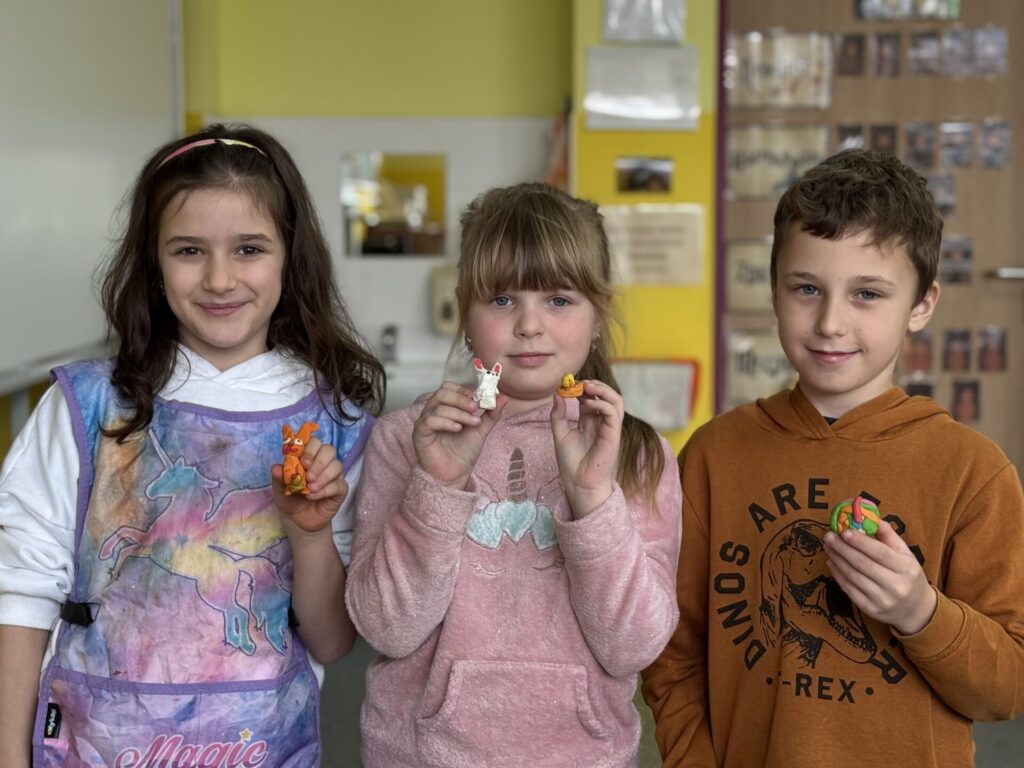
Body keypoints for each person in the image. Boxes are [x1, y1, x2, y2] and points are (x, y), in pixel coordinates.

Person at [0, 124, 384, 766]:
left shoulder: (333, 423)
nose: (219, 279)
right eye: (188, 251)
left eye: (249, 249)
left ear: (290, 258)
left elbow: (334, 641)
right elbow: (20, 589)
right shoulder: (85, 406)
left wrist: (310, 536)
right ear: (154, 261)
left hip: (262, 747)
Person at [642, 149, 1024, 767]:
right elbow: (672, 650)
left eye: (867, 293)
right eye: (806, 289)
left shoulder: (973, 473)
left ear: (922, 304)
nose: (829, 323)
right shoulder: (714, 455)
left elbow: (1006, 689)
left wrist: (919, 612)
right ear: (774, 289)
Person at [346, 182, 682, 767]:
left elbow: (633, 647)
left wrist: (593, 500)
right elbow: (387, 629)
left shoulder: (636, 454)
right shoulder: (406, 439)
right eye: (502, 299)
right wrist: (438, 488)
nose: (529, 324)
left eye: (559, 299)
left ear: (597, 316)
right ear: (465, 313)